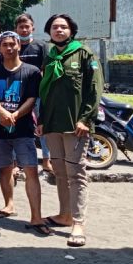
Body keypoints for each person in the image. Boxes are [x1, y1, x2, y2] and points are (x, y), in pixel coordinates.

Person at [38, 14, 103, 247]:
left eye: (63, 27)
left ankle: (78, 222)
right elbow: (45, 93)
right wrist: (42, 120)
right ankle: (64, 215)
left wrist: (86, 119)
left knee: (76, 174)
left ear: (71, 31)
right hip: (53, 125)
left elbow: (95, 89)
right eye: (55, 27)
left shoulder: (84, 54)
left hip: (76, 126)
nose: (59, 30)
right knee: (60, 172)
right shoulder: (50, 57)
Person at [0, 31, 50, 235]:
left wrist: (15, 115)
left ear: (19, 46)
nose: (9, 48)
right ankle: (9, 205)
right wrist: (4, 113)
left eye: (12, 44)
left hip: (23, 130)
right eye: (5, 44)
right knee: (4, 169)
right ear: (0, 48)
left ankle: (36, 216)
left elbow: (32, 98)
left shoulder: (31, 71)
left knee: (31, 170)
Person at [15, 13, 53, 173]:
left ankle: (46, 160)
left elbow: (46, 70)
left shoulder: (41, 46)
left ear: (33, 28)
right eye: (21, 27)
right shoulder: (14, 46)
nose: (24, 30)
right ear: (16, 29)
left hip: (37, 94)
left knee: (42, 126)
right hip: (17, 94)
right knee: (16, 127)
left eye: (27, 27)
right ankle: (16, 161)